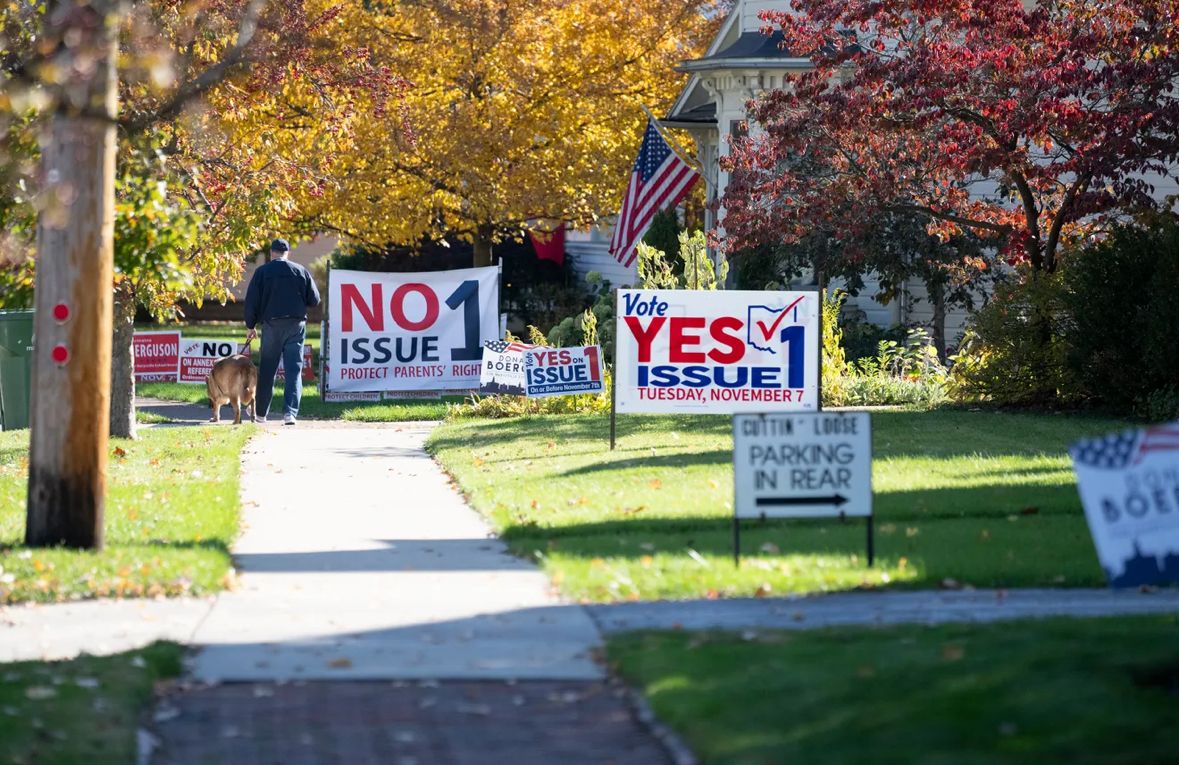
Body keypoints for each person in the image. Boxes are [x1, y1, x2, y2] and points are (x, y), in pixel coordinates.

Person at [244, 238, 320, 424]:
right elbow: (315, 299)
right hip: (296, 325)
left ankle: (261, 414)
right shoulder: (300, 270)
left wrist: (250, 326)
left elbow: (251, 301)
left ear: (271, 253)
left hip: (272, 326)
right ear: (288, 254)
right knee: (294, 370)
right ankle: (290, 413)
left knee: (268, 369)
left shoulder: (262, 272)